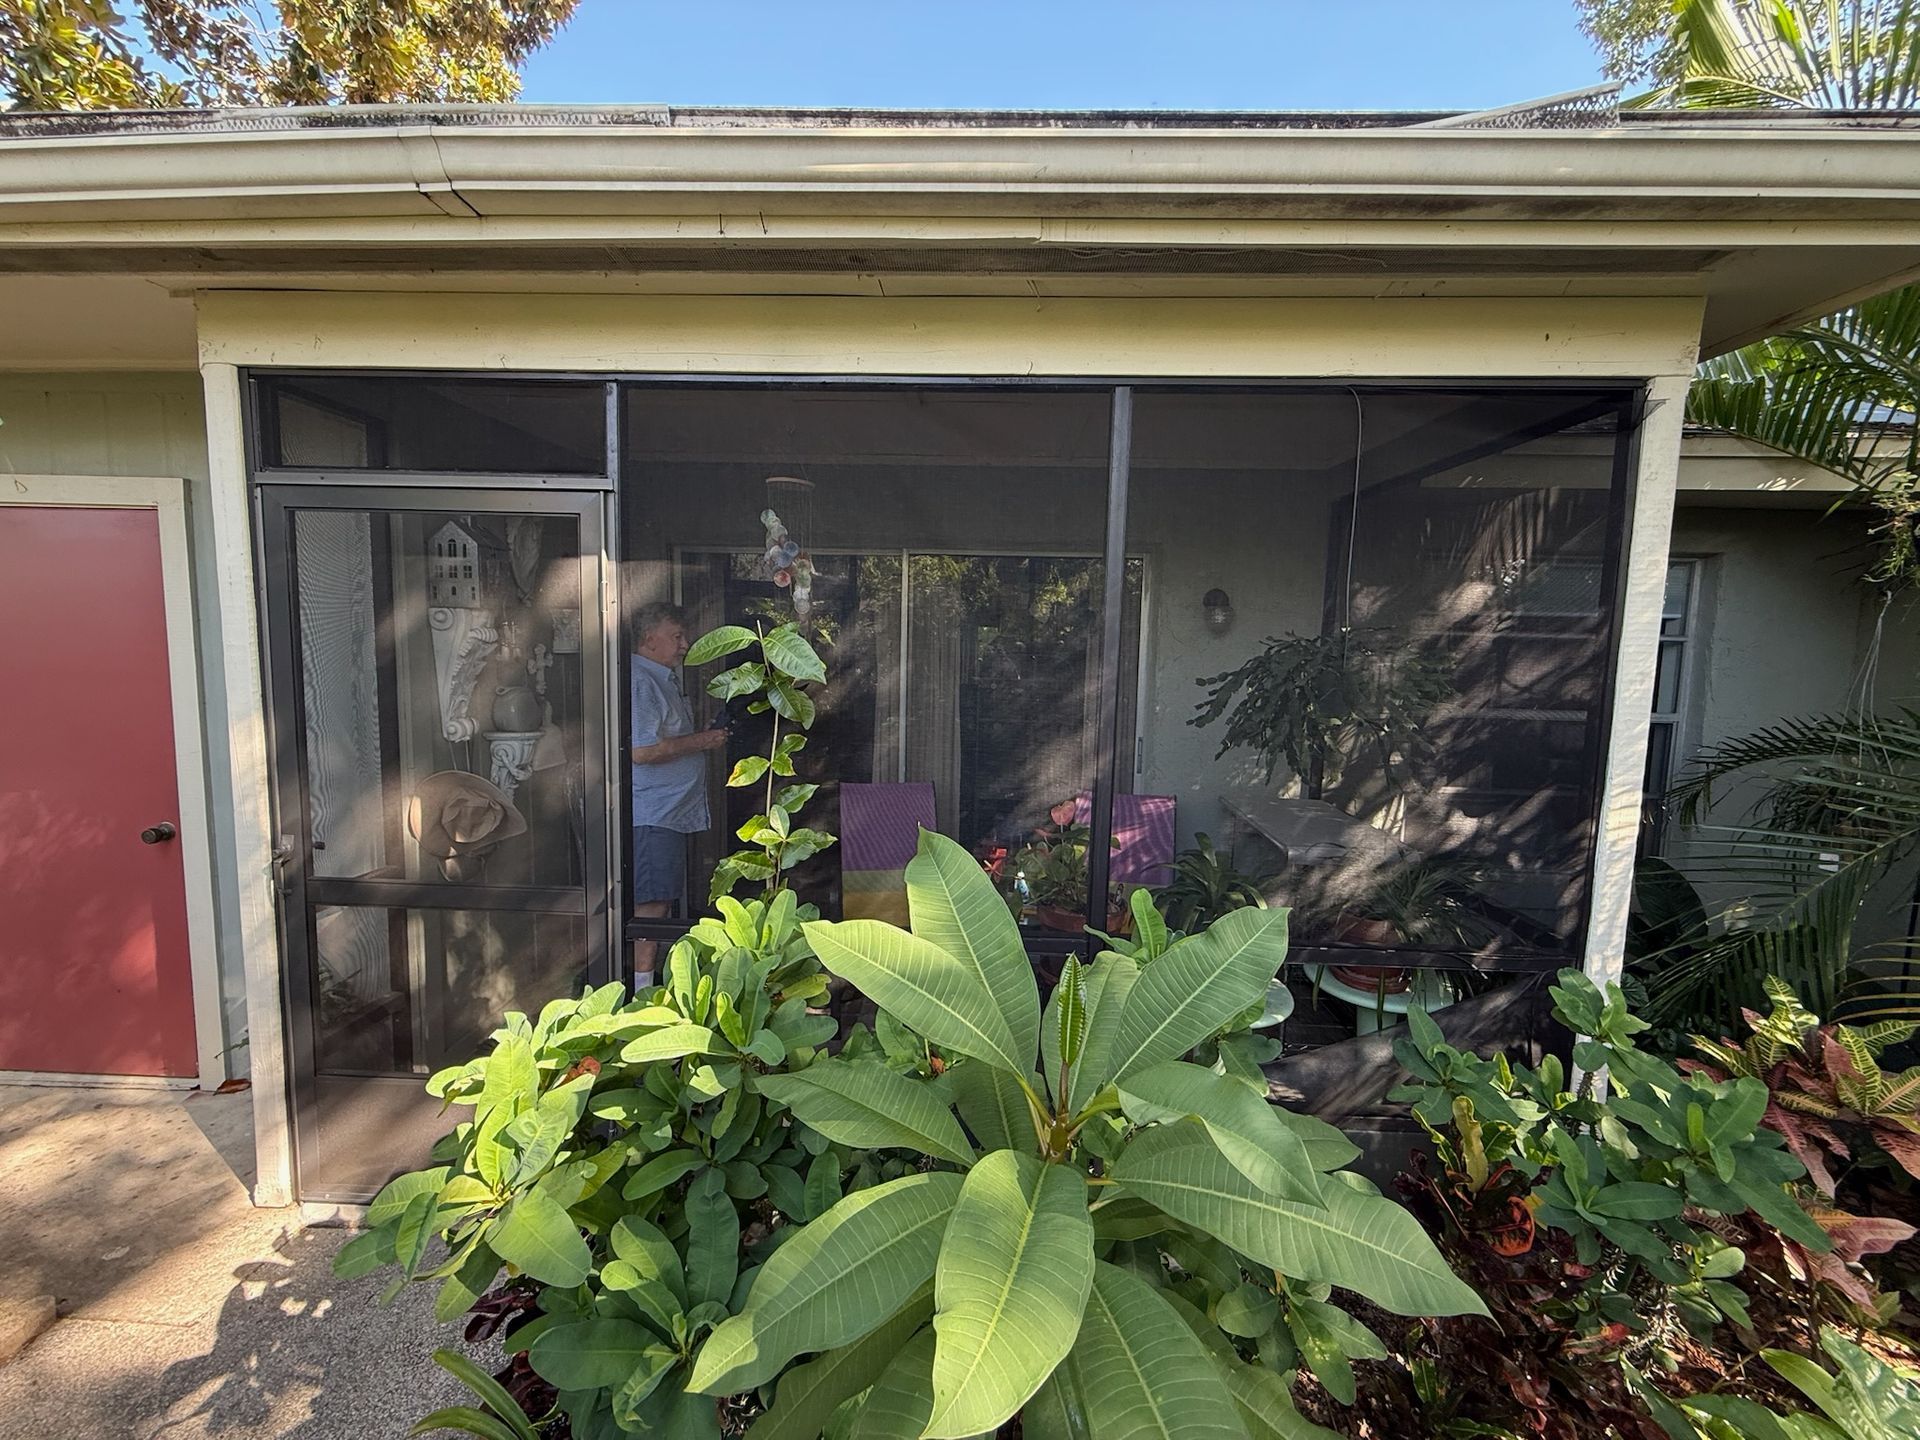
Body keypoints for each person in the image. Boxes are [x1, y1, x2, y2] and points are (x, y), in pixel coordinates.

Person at [630, 601, 726, 977]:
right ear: (650, 638)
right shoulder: (641, 682)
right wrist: (702, 740)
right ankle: (642, 990)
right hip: (654, 812)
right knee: (652, 905)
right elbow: (641, 751)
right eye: (677, 636)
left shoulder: (658, 678)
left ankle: (649, 982)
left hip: (668, 813)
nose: (686, 644)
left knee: (661, 899)